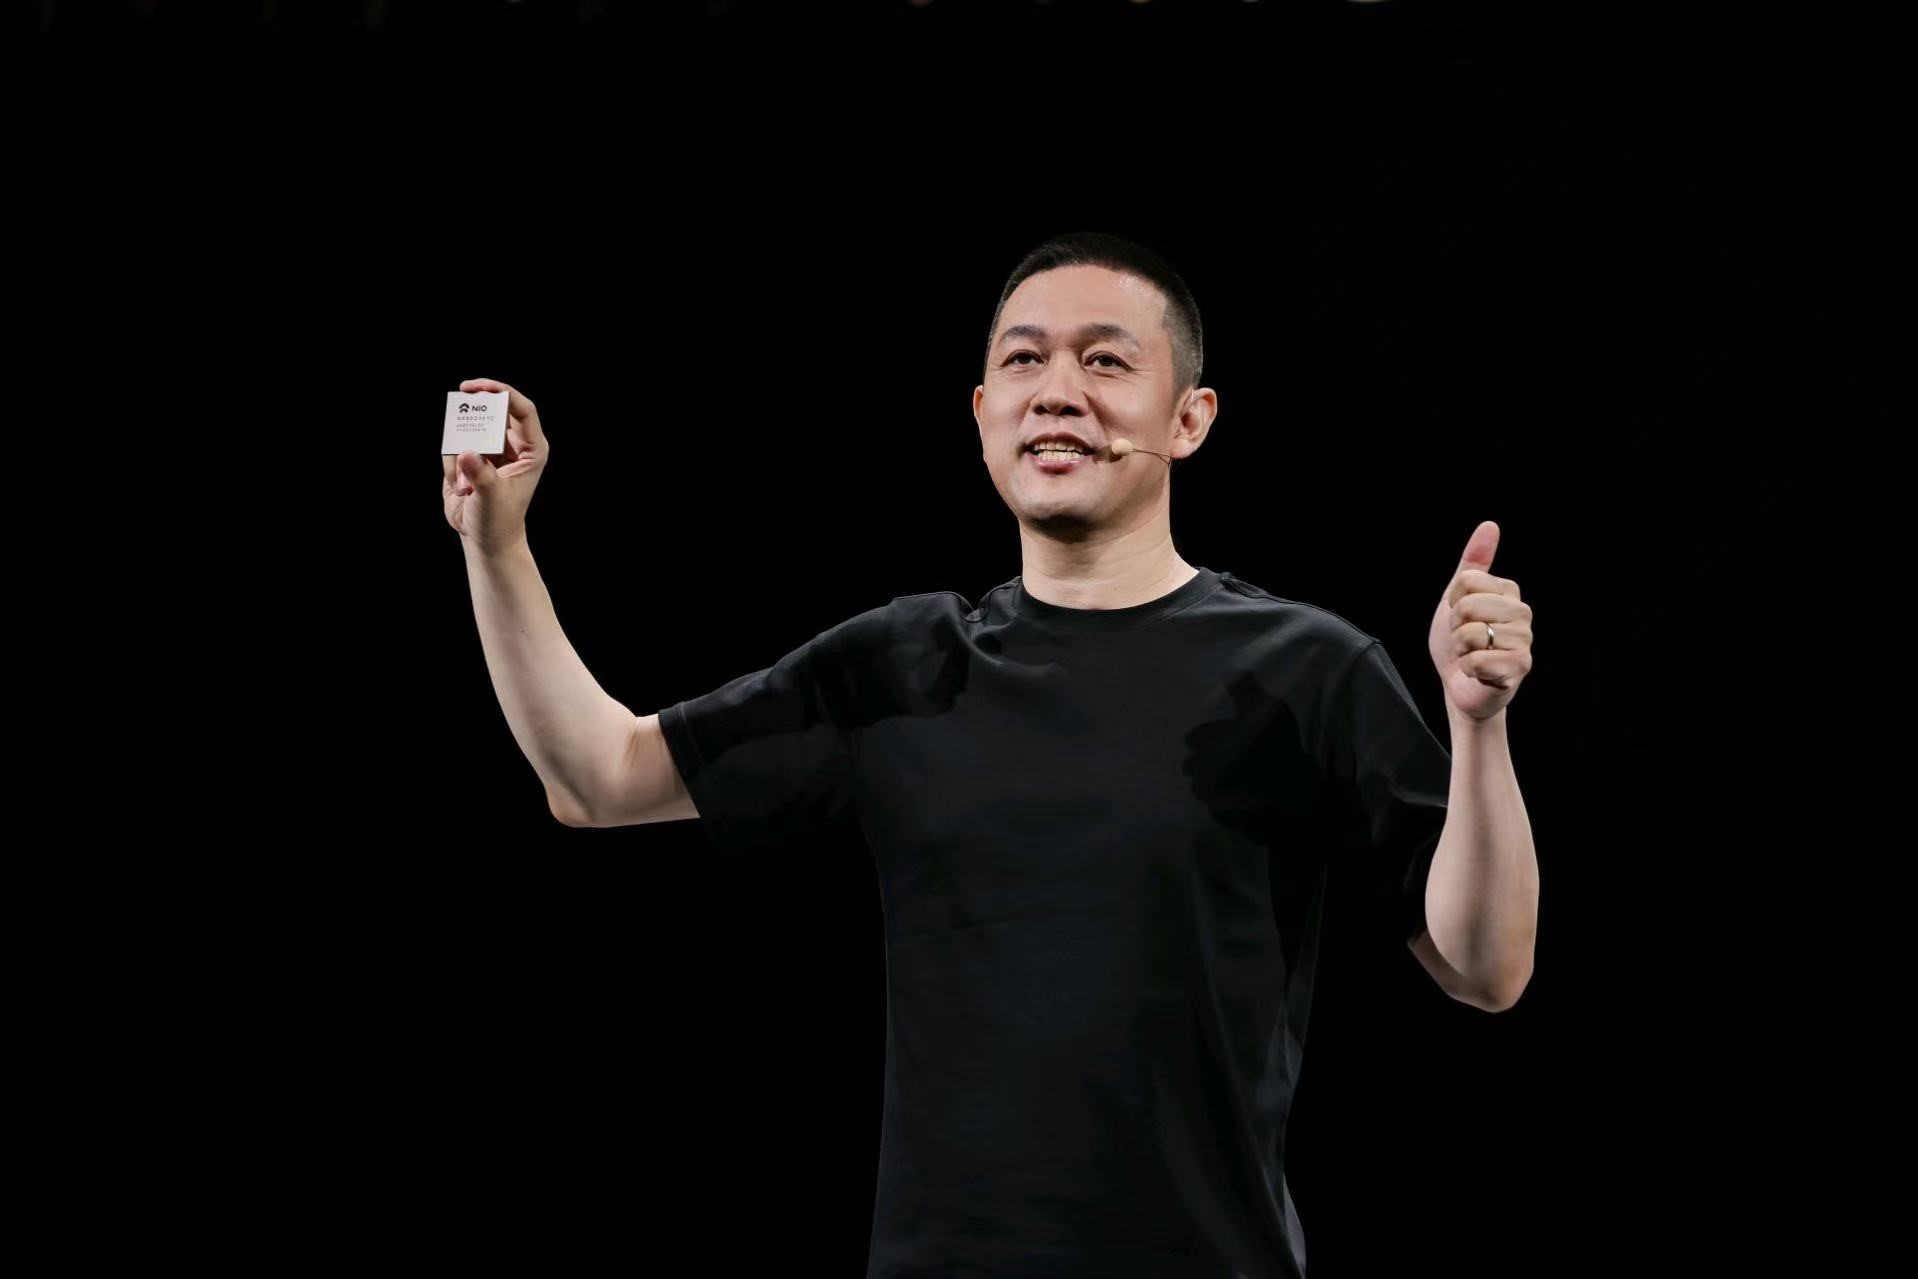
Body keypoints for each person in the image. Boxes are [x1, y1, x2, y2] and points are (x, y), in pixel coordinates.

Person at [441, 231, 1539, 1278]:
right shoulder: (905, 663)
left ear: (1189, 418)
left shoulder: (1303, 667)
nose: (1056, 391)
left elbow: (1485, 967)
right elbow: (599, 777)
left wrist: (1478, 725)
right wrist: (497, 544)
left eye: (1105, 360)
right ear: (983, 415)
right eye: (1024, 361)